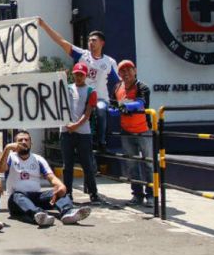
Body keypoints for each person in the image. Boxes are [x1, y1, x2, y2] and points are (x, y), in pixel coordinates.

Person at [39, 18, 119, 150]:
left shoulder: (110, 62)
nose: (91, 43)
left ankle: (101, 141)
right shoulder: (83, 55)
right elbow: (61, 41)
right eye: (89, 40)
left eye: (94, 40)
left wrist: (120, 101)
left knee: (99, 111)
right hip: (81, 97)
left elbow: (119, 83)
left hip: (99, 98)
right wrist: (43, 25)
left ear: (102, 43)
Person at [0, 130, 91, 226]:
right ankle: (38, 214)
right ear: (15, 144)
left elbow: (51, 177)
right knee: (17, 195)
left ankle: (68, 213)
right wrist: (7, 149)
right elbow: (0, 169)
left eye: (27, 140)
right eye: (20, 140)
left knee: (57, 192)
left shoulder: (38, 159)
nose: (24, 142)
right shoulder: (10, 157)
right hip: (17, 201)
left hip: (36, 197)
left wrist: (61, 186)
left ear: (31, 143)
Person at [111, 59, 153, 207]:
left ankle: (152, 196)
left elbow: (141, 103)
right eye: (123, 70)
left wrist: (125, 106)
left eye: (129, 69)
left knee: (149, 164)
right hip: (126, 131)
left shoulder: (143, 87)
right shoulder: (117, 87)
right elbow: (113, 106)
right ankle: (137, 195)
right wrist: (112, 109)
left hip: (144, 130)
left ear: (135, 71)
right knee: (132, 164)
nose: (126, 72)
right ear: (119, 74)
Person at [61, 63, 101, 204]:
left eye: (81, 74)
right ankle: (68, 192)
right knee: (67, 165)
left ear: (85, 75)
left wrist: (76, 125)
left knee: (87, 164)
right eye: (76, 74)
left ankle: (93, 193)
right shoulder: (66, 88)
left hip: (83, 132)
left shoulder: (91, 91)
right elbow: (57, 105)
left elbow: (88, 113)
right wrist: (67, 125)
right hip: (66, 131)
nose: (78, 77)